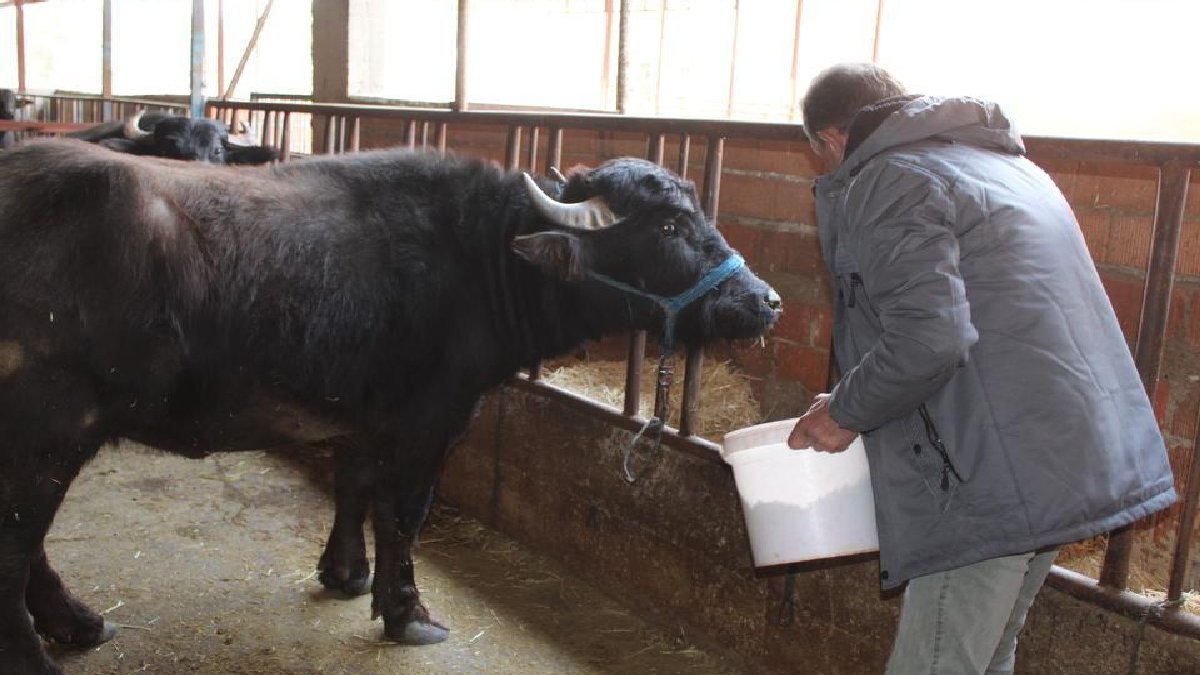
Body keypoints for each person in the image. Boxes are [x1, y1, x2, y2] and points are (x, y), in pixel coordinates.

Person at [788, 62, 1177, 674]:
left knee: (937, 662)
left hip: (990, 470)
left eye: (822, 155)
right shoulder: (1007, 167)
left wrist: (845, 411)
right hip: (1062, 453)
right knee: (989, 651)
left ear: (832, 139)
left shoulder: (889, 178)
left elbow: (928, 338)